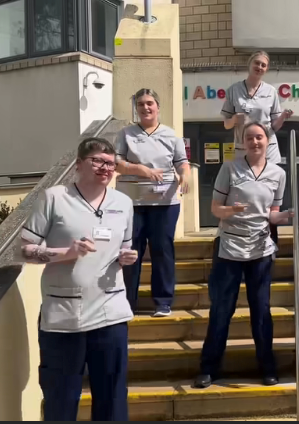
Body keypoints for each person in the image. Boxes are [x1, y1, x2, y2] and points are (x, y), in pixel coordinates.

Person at [19, 137, 138, 421]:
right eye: (97, 161)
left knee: (112, 399)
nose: (105, 168)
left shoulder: (123, 202)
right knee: (61, 399)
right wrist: (65, 252)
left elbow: (125, 246)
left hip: (111, 315)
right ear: (79, 165)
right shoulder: (54, 198)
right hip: (64, 319)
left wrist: (126, 257)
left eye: (110, 163)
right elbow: (24, 250)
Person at [194, 123, 293, 389]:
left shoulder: (278, 174)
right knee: (221, 310)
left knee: (261, 311)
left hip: (260, 250)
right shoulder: (229, 168)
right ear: (243, 142)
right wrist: (231, 211)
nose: (254, 141)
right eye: (249, 137)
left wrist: (284, 217)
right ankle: (209, 369)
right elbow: (215, 209)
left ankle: (267, 368)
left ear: (267, 140)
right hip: (229, 248)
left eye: (259, 137)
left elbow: (271, 214)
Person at [115, 88, 191, 317]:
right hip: (132, 202)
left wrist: (185, 176)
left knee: (162, 251)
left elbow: (182, 162)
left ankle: (163, 302)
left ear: (158, 106)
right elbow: (116, 162)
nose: (145, 108)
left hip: (165, 203)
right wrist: (140, 169)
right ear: (136, 109)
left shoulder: (171, 135)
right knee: (131, 252)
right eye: (141, 104)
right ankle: (128, 303)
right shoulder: (125, 134)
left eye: (150, 103)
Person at [221, 50, 294, 246]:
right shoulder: (234, 90)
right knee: (244, 194)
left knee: (269, 199)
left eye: (264, 65)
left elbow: (274, 126)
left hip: (267, 150)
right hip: (243, 150)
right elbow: (226, 123)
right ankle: (240, 239)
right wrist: (234, 120)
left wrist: (283, 117)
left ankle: (271, 242)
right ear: (249, 64)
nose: (260, 67)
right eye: (257, 63)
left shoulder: (270, 91)